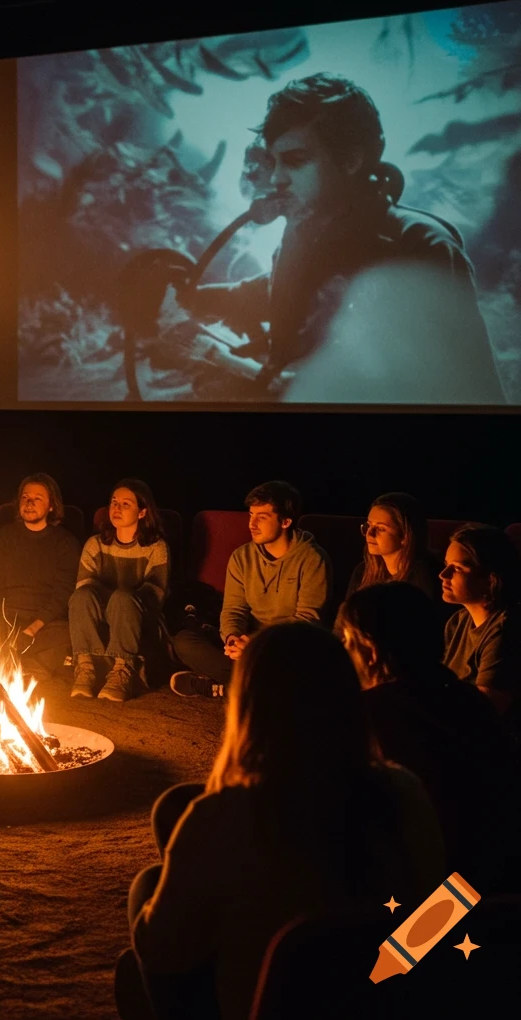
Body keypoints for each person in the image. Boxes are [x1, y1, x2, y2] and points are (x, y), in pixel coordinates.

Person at [118, 622, 444, 1020]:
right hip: (384, 1004)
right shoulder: (403, 789)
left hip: (264, 1010)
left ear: (247, 702)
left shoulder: (222, 815)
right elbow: (438, 914)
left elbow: (164, 952)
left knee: (147, 889)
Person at [182, 73, 502, 404]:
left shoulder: (418, 244)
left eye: (295, 161)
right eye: (274, 162)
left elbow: (459, 389)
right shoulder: (304, 233)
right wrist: (193, 298)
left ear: (351, 160)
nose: (276, 178)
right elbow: (281, 292)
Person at [339, 581, 521, 894]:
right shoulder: (469, 700)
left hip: (442, 911)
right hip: (499, 892)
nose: (343, 652)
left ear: (370, 650)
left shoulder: (368, 718)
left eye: (345, 641)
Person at [171, 480, 330, 696]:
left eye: (261, 517)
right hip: (247, 643)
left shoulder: (312, 558)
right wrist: (233, 638)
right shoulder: (242, 557)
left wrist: (258, 642)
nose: (252, 524)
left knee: (301, 662)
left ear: (285, 521)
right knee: (184, 642)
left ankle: (228, 687)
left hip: (285, 644)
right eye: (251, 515)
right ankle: (256, 686)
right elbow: (234, 609)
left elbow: (308, 619)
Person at [69, 479, 168, 702]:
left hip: (138, 614)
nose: (117, 508)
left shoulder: (155, 547)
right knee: (81, 596)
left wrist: (121, 599)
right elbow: (84, 585)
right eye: (114, 503)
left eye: (125, 504)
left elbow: (156, 593)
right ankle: (85, 666)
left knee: (123, 597)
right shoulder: (96, 544)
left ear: (142, 512)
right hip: (103, 611)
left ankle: (123, 669)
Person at [0, 473, 79, 682]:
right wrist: (1, 623)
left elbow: (64, 593)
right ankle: (30, 664)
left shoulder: (65, 542)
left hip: (46, 623)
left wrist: (34, 627)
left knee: (69, 635)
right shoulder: (3, 538)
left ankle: (24, 665)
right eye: (25, 497)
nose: (29, 503)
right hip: (9, 618)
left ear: (51, 505)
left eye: (37, 498)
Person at [441, 523, 521, 728]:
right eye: (446, 564)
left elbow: (486, 712)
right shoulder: (458, 622)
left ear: (490, 579)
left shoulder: (506, 630)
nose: (443, 574)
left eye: (457, 568)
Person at [345, 492, 442, 600]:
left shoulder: (426, 576)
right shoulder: (363, 571)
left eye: (381, 528)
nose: (369, 533)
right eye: (369, 525)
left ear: (405, 536)